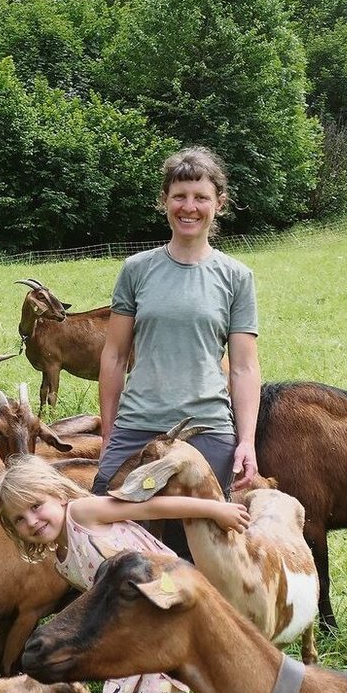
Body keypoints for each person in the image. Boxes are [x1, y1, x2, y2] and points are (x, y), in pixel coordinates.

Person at [0, 455, 249, 693]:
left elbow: (148, 507)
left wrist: (215, 510)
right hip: (127, 635)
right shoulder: (58, 555)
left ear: (58, 495)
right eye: (18, 519)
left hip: (167, 620)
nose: (31, 521)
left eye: (35, 506)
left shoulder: (83, 514)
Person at [94, 146, 262, 557]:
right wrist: (109, 428)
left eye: (201, 197)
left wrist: (247, 441)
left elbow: (243, 367)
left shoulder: (236, 277)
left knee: (198, 551)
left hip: (207, 430)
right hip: (138, 425)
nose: (189, 207)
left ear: (219, 204)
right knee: (113, 537)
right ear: (164, 201)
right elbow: (114, 356)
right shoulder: (137, 270)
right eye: (180, 196)